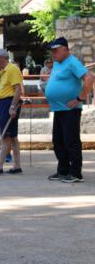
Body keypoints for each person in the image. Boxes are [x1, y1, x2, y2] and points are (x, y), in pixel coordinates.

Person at [45, 37, 94, 183]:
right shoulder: (57, 63)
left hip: (70, 109)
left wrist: (80, 98)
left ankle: (76, 173)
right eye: (51, 51)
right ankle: (63, 170)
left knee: (71, 141)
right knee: (58, 141)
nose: (53, 53)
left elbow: (89, 78)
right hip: (59, 108)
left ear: (65, 49)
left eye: (55, 50)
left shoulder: (72, 62)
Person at [0, 49, 23, 175]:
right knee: (12, 137)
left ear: (2, 58)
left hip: (9, 103)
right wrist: (0, 110)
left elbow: (18, 89)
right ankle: (17, 166)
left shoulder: (12, 69)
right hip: (4, 104)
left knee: (6, 136)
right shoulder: (4, 71)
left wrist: (12, 107)